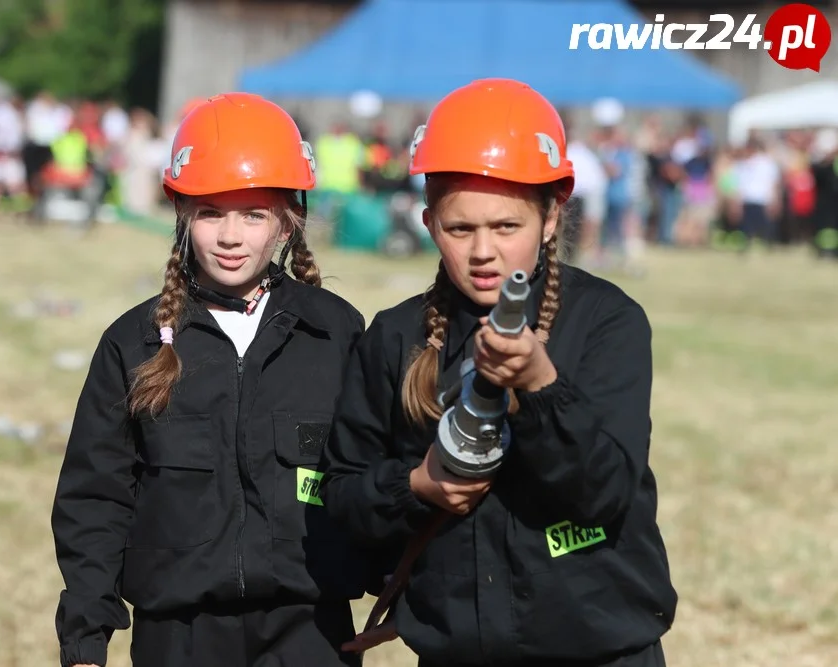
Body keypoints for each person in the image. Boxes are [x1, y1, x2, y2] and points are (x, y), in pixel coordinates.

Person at [320, 79, 677, 667]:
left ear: (552, 216)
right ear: (431, 223)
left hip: (598, 649)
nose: (483, 251)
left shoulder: (606, 321)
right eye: (461, 230)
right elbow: (342, 493)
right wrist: (417, 486)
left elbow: (606, 491)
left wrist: (540, 387)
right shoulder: (394, 335)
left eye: (506, 227)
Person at [51, 93, 371, 667]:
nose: (231, 236)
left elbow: (376, 475)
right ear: (181, 213)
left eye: (253, 214)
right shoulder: (135, 341)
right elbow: (95, 497)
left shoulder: (337, 333)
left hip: (311, 631)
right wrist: (85, 636)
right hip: (178, 633)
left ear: (288, 218)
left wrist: (404, 586)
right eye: (211, 213)